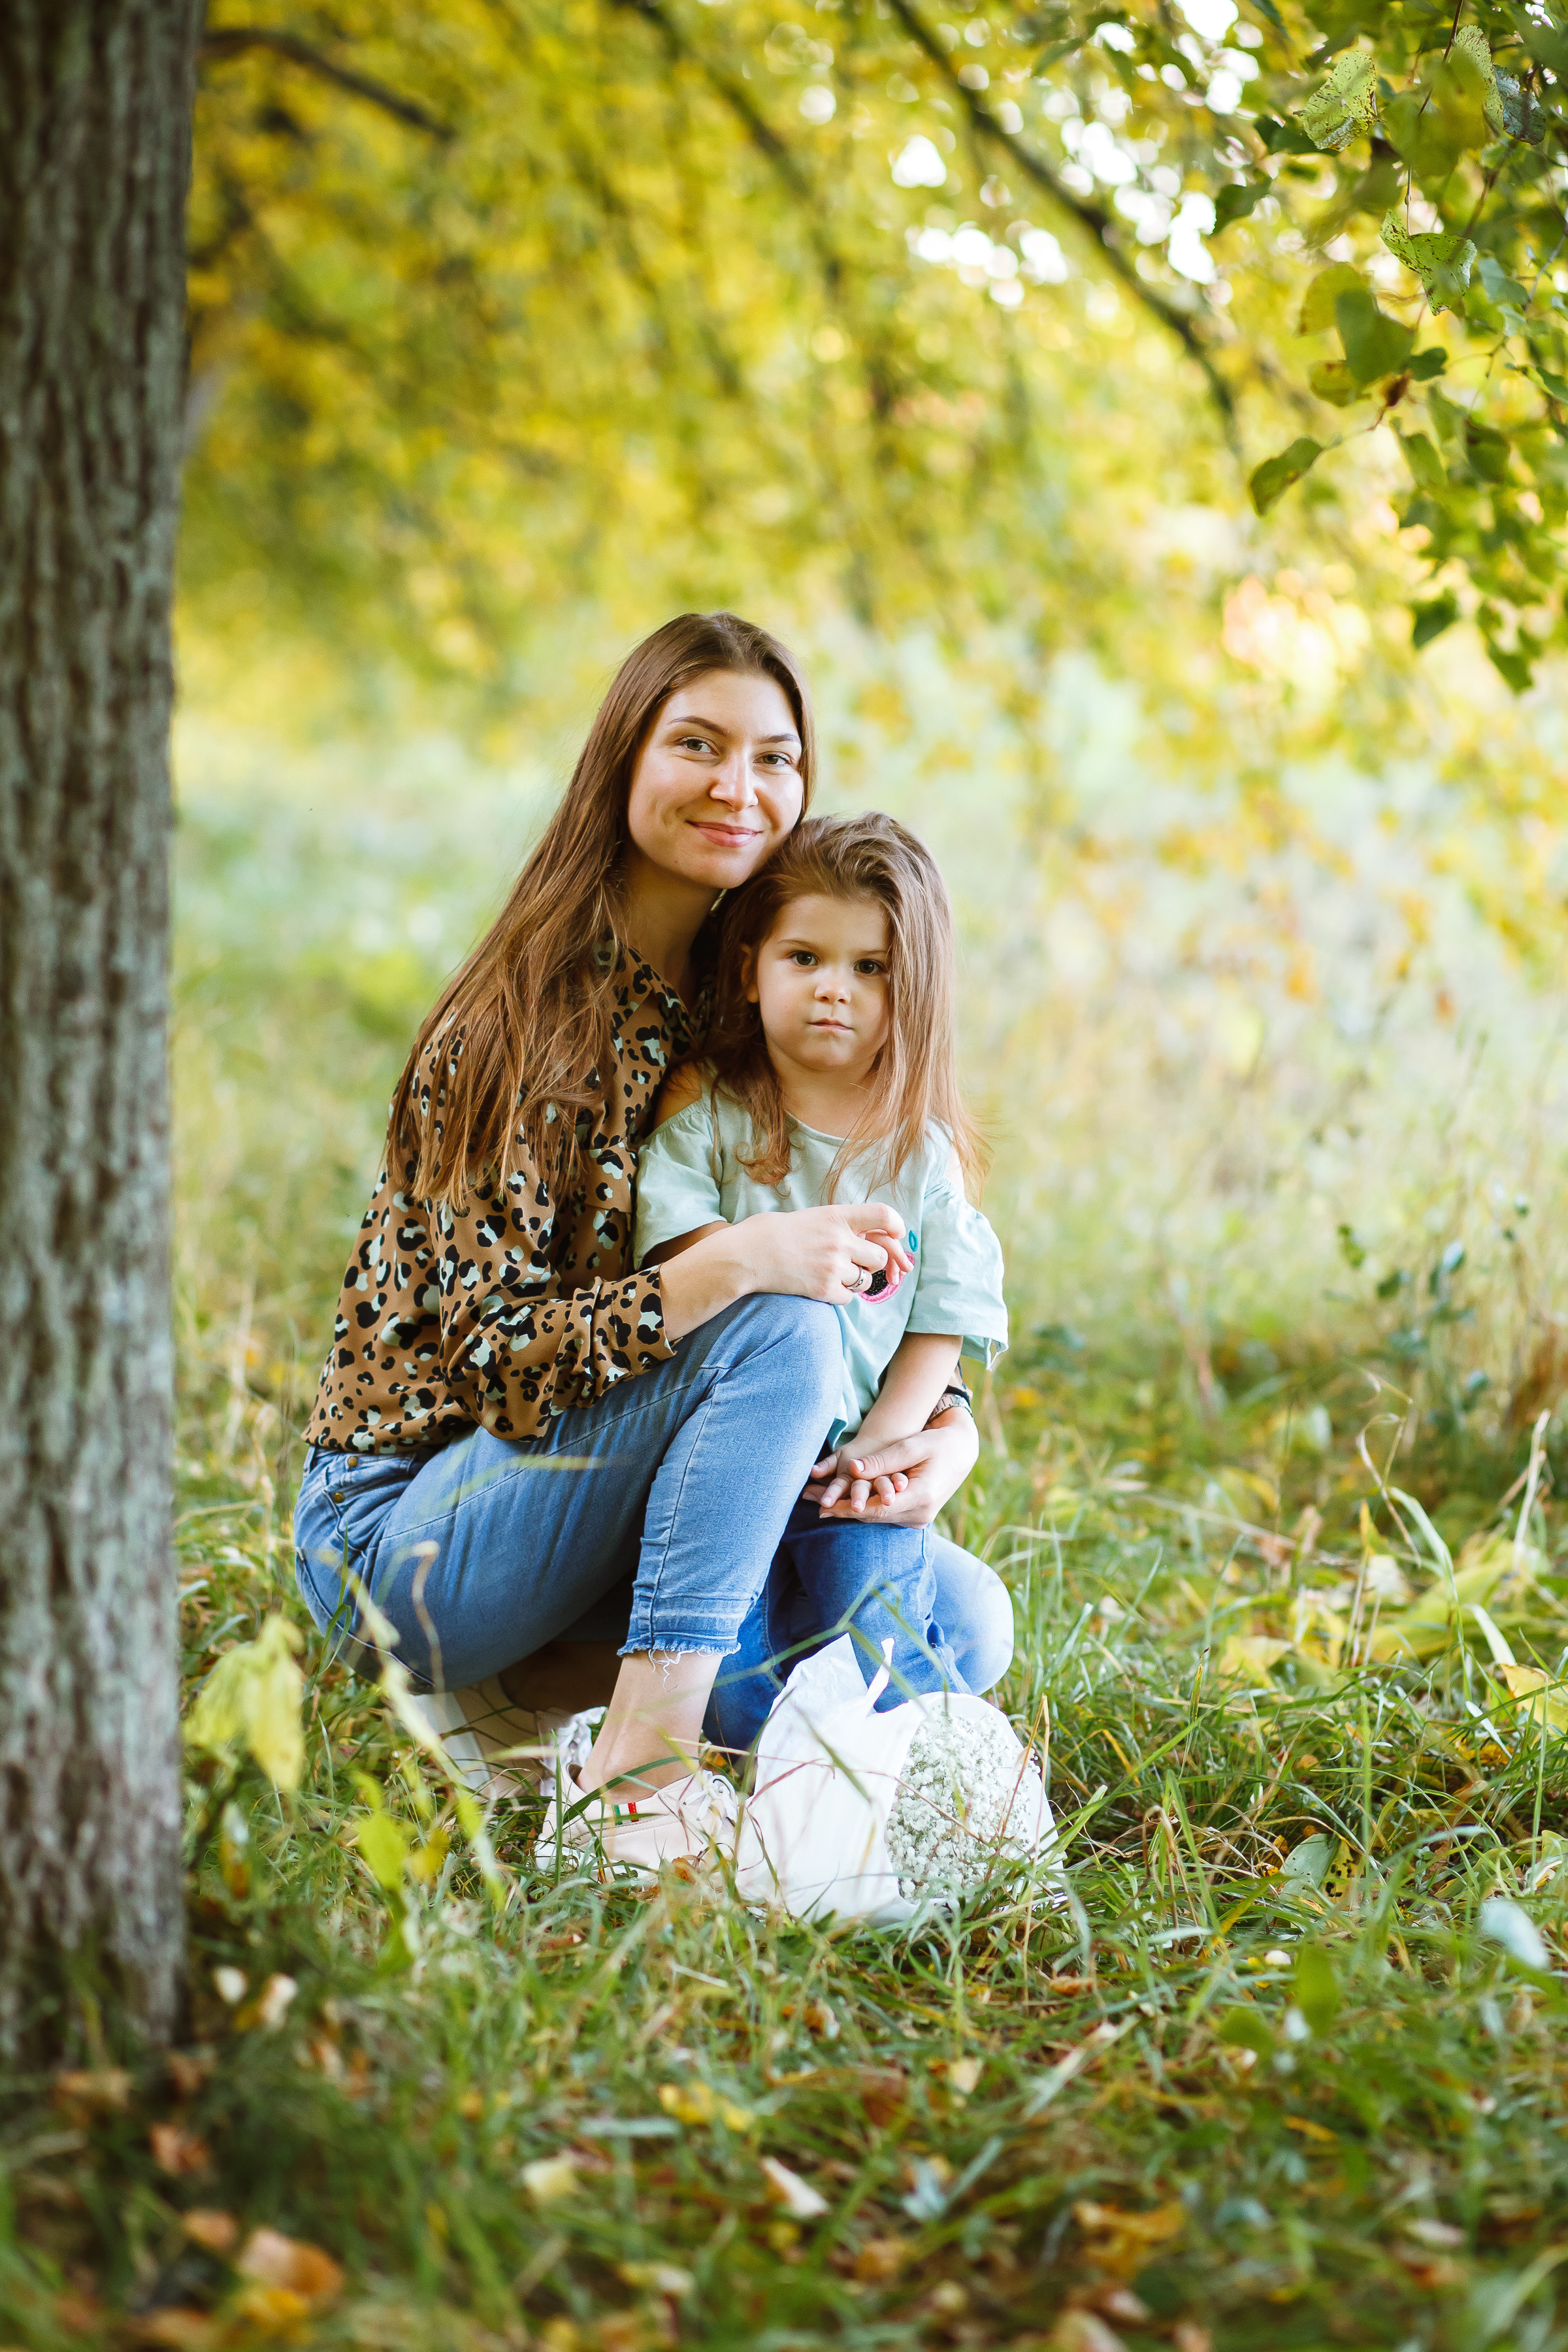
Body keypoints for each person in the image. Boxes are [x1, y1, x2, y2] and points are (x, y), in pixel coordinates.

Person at [291, 611, 1011, 1876]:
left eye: (776, 758)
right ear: (623, 756)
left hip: (600, 1492)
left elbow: (871, 1286)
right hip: (411, 1538)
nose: (740, 788)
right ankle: (641, 1768)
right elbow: (498, 1370)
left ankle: (554, 1689)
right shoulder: (524, 1019)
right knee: (777, 1319)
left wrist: (941, 1435)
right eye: (697, 745)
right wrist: (739, 1264)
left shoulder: (762, 992)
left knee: (967, 1617)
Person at [634, 813, 1007, 1752]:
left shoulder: (920, 1153)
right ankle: (786, 1769)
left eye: (869, 968)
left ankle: (930, 1773)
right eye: (804, 958)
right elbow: (684, 1263)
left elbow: (944, 1315)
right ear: (751, 968)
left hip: (855, 1468)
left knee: (881, 1620)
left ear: (910, 990)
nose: (833, 989)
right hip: (730, 1471)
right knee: (730, 1691)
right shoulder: (709, 1124)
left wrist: (880, 1451)